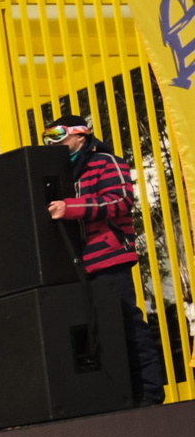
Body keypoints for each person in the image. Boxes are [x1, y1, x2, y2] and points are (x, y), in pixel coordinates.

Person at [47, 110, 168, 407]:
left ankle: (150, 394)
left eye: (57, 135)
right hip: (75, 265)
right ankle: (114, 397)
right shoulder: (57, 173)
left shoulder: (105, 161)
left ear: (79, 134)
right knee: (93, 334)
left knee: (127, 324)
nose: (52, 143)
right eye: (48, 138)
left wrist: (70, 207)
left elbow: (120, 201)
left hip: (108, 257)